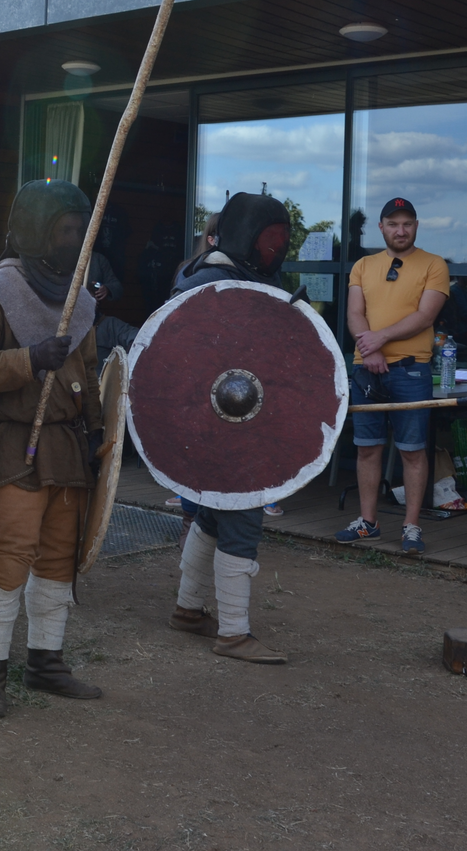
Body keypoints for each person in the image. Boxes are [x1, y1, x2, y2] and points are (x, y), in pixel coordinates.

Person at [0, 180, 106, 718]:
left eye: (80, 230)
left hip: (66, 447)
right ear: (37, 232)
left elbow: (89, 370)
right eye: (65, 230)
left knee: (59, 559)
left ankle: (46, 663)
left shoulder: (78, 297)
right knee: (10, 558)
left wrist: (97, 431)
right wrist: (30, 359)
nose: (74, 240)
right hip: (15, 442)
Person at [165, 192, 293, 662]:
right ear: (246, 236)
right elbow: (178, 359)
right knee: (242, 513)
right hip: (215, 425)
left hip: (246, 423)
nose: (276, 249)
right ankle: (234, 633)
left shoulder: (258, 279)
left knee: (213, 513)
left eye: (281, 239)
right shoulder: (207, 282)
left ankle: (188, 609)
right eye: (269, 238)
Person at [335, 197, 448, 553]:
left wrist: (380, 339)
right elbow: (355, 313)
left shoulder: (434, 264)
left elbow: (425, 316)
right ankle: (368, 523)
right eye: (393, 224)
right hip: (366, 369)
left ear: (416, 226)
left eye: (407, 223)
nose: (401, 230)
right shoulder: (363, 265)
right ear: (381, 227)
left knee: (412, 450)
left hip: (411, 370)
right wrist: (370, 350)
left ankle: (411, 526)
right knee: (367, 448)